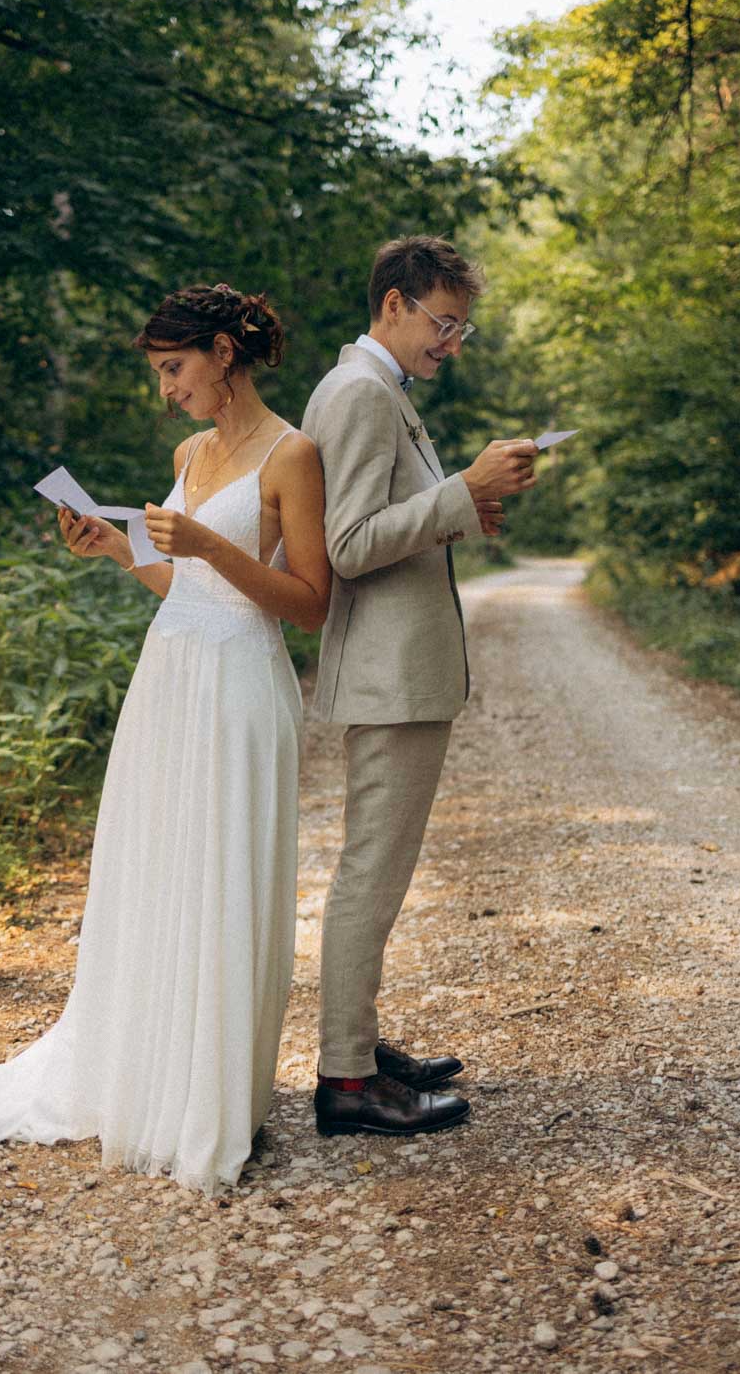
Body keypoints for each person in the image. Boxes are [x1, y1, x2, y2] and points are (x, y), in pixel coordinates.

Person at [0, 283, 331, 1197]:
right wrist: (121, 551)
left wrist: (209, 546)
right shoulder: (189, 450)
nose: (167, 390)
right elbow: (183, 585)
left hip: (242, 683)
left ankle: (213, 1101)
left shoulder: (294, 455)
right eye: (162, 374)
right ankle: (146, 1074)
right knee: (157, 872)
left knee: (223, 875)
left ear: (223, 355)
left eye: (174, 369)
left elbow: (310, 605)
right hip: (168, 680)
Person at [300, 235, 538, 1138]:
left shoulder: (379, 389)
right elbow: (350, 544)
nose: (452, 344)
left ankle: (357, 1046)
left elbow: (385, 523)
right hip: (387, 675)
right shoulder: (360, 394)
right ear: (393, 304)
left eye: (462, 329)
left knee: (379, 870)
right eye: (444, 324)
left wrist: (461, 504)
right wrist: (458, 492)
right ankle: (347, 1081)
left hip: (401, 670)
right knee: (372, 873)